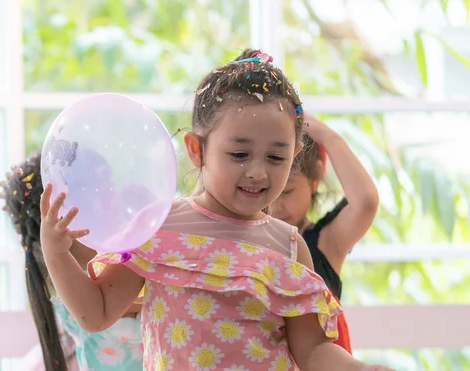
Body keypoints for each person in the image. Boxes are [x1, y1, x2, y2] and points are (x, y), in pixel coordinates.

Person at [39, 49, 393, 371]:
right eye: (239, 155)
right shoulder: (159, 228)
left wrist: (361, 369)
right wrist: (56, 253)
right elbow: (97, 312)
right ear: (197, 150)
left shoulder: (289, 246)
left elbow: (312, 351)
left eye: (276, 157)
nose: (258, 171)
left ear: (295, 154)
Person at [3, 153, 143, 370]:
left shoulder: (65, 282)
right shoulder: (117, 271)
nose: (115, 192)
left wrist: (19, 198)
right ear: (68, 210)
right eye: (104, 183)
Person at [271, 115, 380, 353]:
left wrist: (326, 135)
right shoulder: (243, 236)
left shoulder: (326, 241)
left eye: (287, 191)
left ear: (316, 179)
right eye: (268, 189)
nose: (275, 205)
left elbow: (366, 201)